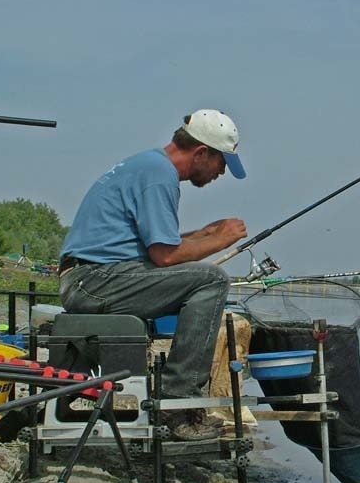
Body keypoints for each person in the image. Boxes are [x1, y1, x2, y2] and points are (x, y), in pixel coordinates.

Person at [58, 109, 248, 440]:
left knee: (201, 277)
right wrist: (222, 239)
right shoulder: (159, 176)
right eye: (222, 163)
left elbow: (156, 246)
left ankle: (176, 396)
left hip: (92, 277)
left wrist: (204, 234)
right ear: (201, 152)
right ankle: (179, 404)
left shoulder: (148, 165)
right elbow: (165, 257)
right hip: (93, 282)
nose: (221, 173)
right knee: (212, 280)